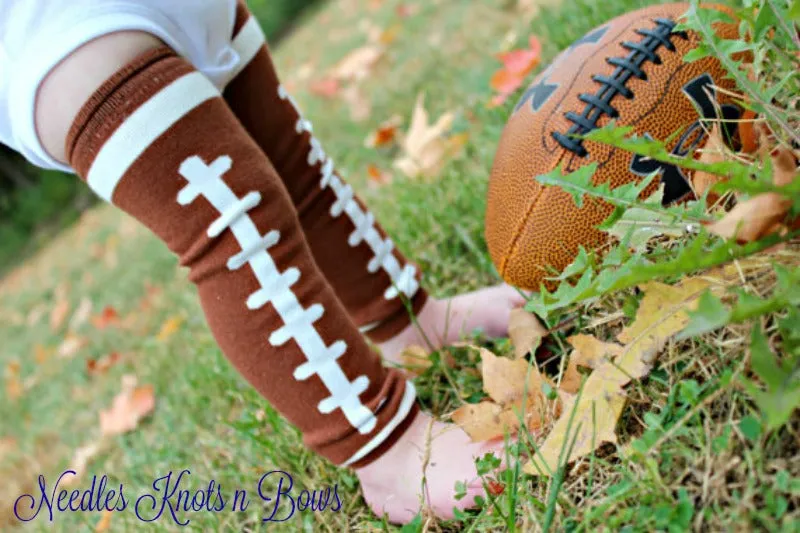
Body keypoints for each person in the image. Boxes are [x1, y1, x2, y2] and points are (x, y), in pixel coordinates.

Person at [0, 0, 523, 523]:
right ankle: (390, 451)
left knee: (297, 169)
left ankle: (412, 324)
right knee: (234, 229)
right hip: (55, 29)